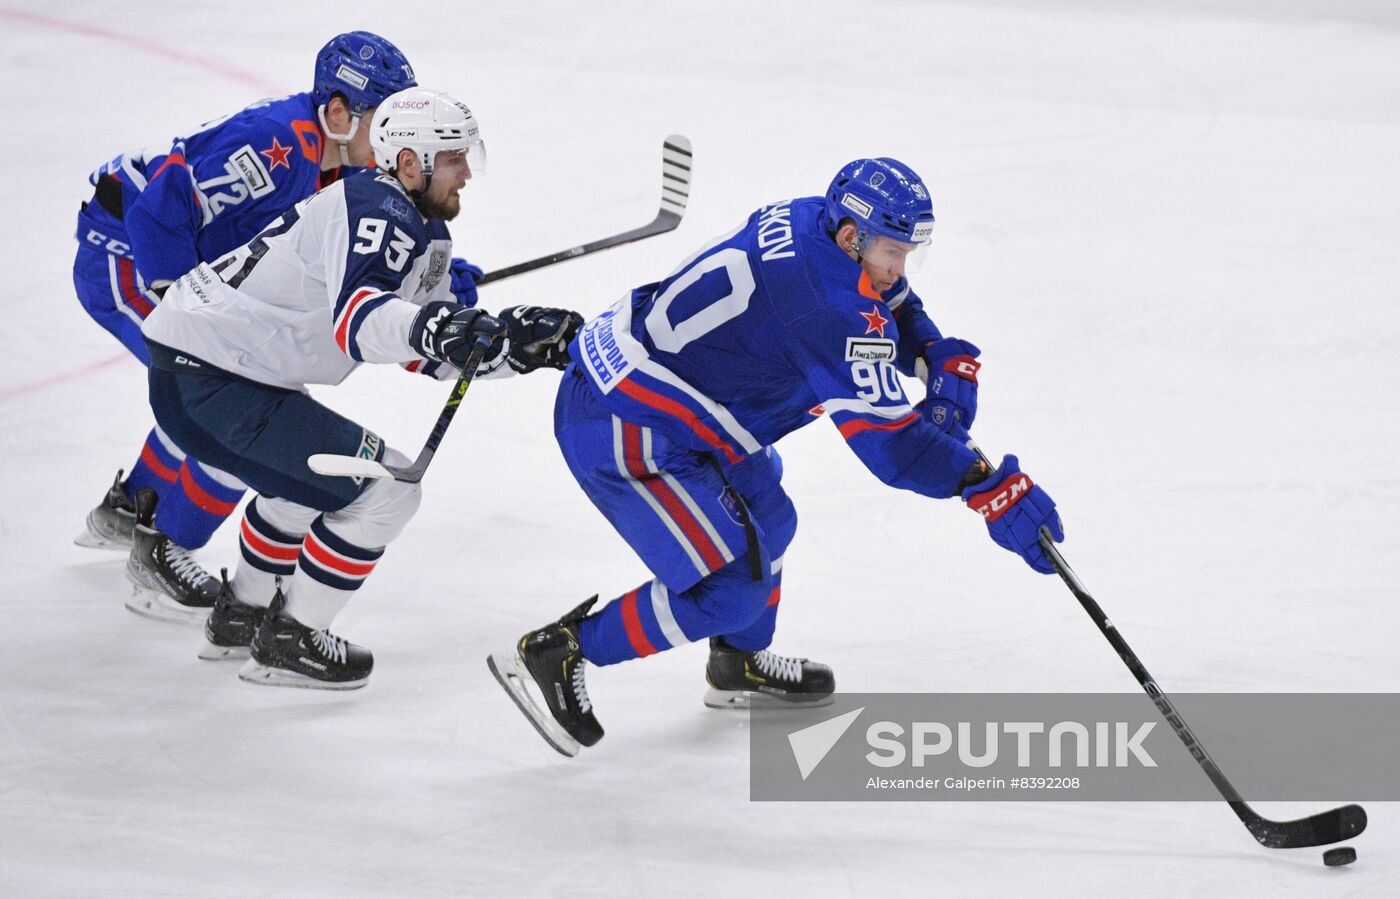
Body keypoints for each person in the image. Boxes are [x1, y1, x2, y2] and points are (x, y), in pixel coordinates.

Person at [488, 158, 1065, 755]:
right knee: (730, 589)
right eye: (894, 251)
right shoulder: (828, 308)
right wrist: (985, 486)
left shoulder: (816, 221)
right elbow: (893, 447)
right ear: (852, 237)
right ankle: (561, 649)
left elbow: (890, 304)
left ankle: (735, 665)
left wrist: (931, 352)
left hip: (678, 401)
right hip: (625, 422)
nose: (901, 269)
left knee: (771, 520)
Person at [138, 87, 582, 689]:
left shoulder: (413, 225)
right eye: (453, 158)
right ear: (409, 162)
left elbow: (429, 351)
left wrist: (514, 346)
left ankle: (240, 616)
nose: (468, 172)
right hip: (213, 378)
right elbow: (363, 325)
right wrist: (439, 328)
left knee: (305, 485)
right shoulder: (376, 209)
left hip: (212, 372)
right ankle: (289, 641)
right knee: (387, 493)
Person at [72, 32, 484, 624]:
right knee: (229, 393)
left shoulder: (342, 162)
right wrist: (178, 301)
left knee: (225, 387)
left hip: (178, 252)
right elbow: (157, 207)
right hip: (125, 255)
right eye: (383, 117)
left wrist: (418, 274)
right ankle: (160, 548)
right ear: (338, 113)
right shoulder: (274, 147)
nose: (395, 134)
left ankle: (131, 506)